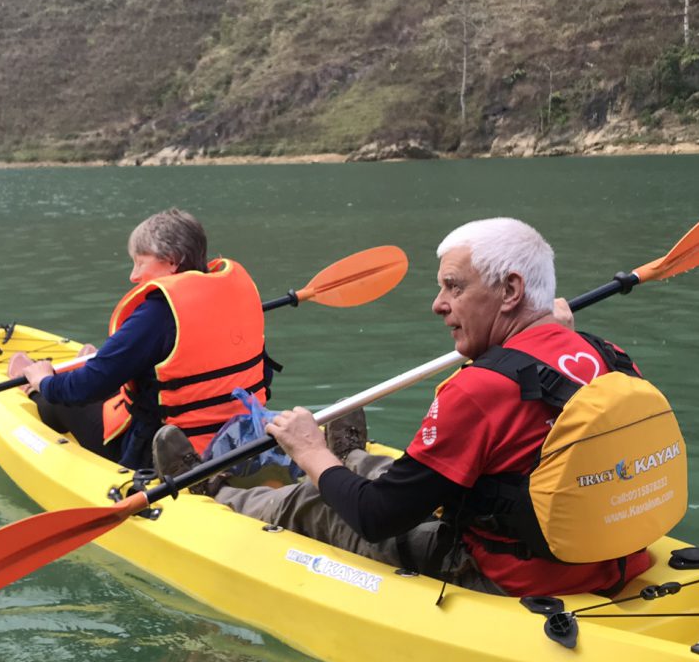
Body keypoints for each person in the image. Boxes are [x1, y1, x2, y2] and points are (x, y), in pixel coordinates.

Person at [215, 217, 668, 598]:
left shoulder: (479, 389)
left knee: (314, 500)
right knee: (389, 469)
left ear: (511, 291)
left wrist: (307, 449)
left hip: (509, 576)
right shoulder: (607, 355)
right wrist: (556, 331)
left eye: (454, 287)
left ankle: (215, 498)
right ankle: (351, 457)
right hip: (608, 557)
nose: (439, 305)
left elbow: (376, 519)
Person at [14, 208, 272, 470]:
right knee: (131, 377)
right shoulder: (234, 295)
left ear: (172, 260)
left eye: (140, 262)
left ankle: (33, 392)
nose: (133, 276)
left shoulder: (158, 313)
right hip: (241, 437)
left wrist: (45, 380)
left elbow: (84, 389)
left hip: (168, 455)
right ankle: (94, 363)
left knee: (62, 397)